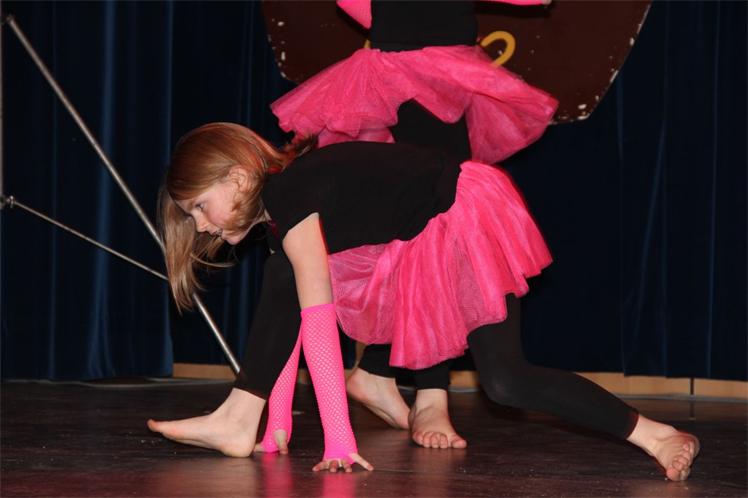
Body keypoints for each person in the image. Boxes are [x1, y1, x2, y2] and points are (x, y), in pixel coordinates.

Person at [148, 123, 699, 480]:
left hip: (463, 215)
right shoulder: (281, 214)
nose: (203, 227)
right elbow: (287, 317)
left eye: (200, 207)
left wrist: (338, 439)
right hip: (419, 238)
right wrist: (276, 431)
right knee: (280, 271)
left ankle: (658, 435)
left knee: (507, 381)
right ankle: (241, 417)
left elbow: (318, 320)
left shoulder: (291, 194)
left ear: (238, 178)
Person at [269, 0, 559, 449]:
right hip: (407, 67)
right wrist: (401, 22)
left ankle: (380, 371)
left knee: (432, 215)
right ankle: (428, 392)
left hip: (436, 60)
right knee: (438, 215)